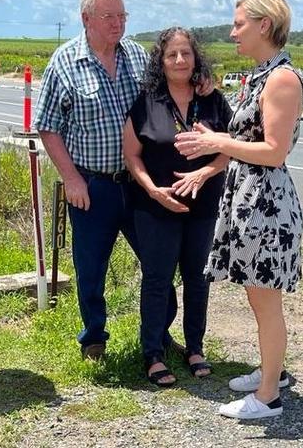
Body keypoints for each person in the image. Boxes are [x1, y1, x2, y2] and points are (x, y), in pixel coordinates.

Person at [34, 0, 212, 360]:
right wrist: (70, 178)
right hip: (91, 186)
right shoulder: (64, 63)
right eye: (108, 16)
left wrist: (203, 83)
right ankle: (94, 337)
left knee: (158, 262)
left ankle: (158, 334)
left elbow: (171, 89)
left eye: (122, 15)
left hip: (138, 183)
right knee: (91, 267)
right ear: (86, 19)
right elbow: (47, 126)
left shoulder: (136, 56)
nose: (117, 24)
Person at [175, 0, 303, 419]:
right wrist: (211, 151)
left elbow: (274, 151)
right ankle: (274, 371)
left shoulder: (282, 78)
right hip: (251, 200)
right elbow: (247, 139)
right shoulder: (264, 74)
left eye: (238, 24)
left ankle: (268, 396)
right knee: (258, 296)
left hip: (266, 204)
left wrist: (216, 140)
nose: (232, 33)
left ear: (264, 25)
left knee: (265, 300)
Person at [124, 28, 232, 386]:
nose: (180, 60)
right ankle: (153, 353)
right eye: (172, 55)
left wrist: (203, 173)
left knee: (198, 279)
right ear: (161, 60)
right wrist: (153, 190)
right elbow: (132, 156)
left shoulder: (212, 99)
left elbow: (228, 151)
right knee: (157, 279)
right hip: (156, 206)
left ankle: (195, 347)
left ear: (195, 57)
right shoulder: (145, 102)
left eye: (186, 53)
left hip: (203, 205)